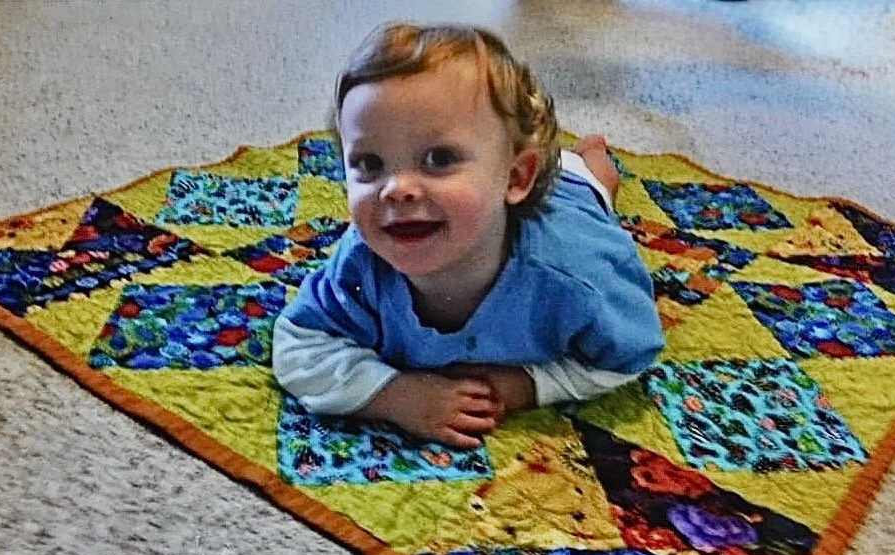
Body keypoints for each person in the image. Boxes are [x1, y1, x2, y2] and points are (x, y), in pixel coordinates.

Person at [273, 22, 663, 449]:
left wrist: (527, 385)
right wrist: (394, 395)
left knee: (593, 181)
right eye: (369, 163)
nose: (395, 188)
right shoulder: (361, 265)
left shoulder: (575, 276)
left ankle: (593, 152)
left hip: (568, 201)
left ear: (515, 177)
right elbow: (297, 345)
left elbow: (631, 352)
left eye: (439, 158)